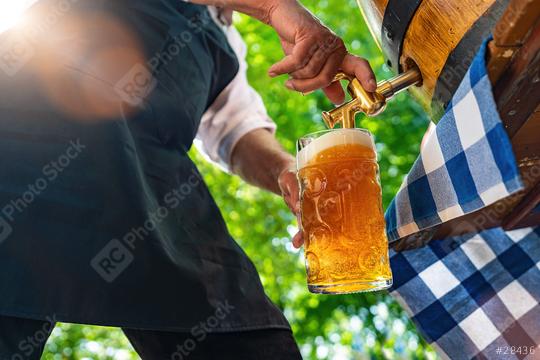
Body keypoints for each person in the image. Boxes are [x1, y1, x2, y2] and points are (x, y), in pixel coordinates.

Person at [0, 0, 375, 358]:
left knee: (241, 331)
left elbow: (236, 130)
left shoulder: (228, 43)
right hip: (28, 132)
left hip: (152, 181)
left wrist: (284, 170)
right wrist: (274, 8)